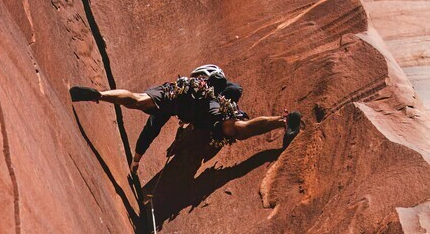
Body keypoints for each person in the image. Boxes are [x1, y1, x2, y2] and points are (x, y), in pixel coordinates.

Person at [70, 64, 301, 174]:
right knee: (235, 128)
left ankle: (99, 95)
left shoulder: (201, 81)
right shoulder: (221, 90)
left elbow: (152, 127)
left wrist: (137, 158)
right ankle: (283, 121)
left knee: (140, 100)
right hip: (204, 102)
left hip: (182, 93)